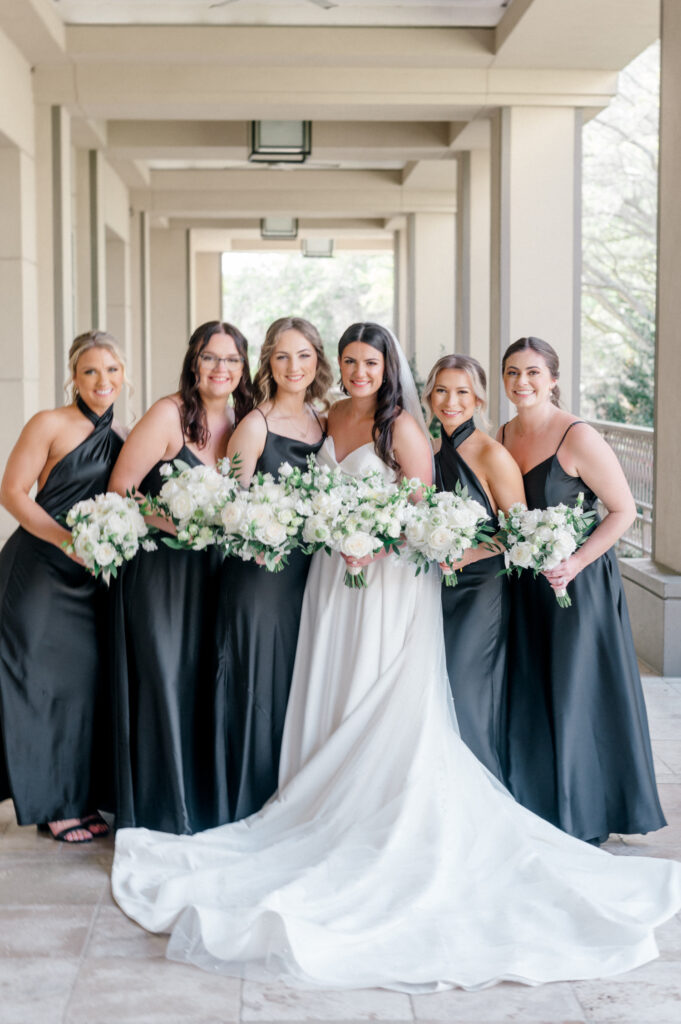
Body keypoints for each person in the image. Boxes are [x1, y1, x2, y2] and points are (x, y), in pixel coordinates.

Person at [112, 324, 681, 992]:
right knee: (333, 684)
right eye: (349, 361)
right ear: (337, 367)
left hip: (385, 581)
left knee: (384, 691)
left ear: (388, 369)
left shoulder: (402, 427)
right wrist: (334, 531)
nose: (359, 372)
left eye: (370, 362)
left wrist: (372, 544)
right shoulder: (325, 420)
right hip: (330, 576)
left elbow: (416, 506)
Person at [498, 335, 665, 844]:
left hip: (579, 583)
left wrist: (573, 563)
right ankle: (540, 803)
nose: (522, 382)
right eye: (512, 373)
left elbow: (623, 512)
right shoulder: (501, 434)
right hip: (526, 586)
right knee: (532, 687)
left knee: (575, 690)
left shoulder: (577, 436)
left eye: (532, 373)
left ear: (552, 378)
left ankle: (586, 811)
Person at [108, 321, 252, 834]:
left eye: (231, 359)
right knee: (164, 678)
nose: (221, 369)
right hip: (163, 572)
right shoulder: (167, 415)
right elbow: (122, 488)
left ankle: (201, 804)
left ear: (243, 366)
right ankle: (161, 808)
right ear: (194, 362)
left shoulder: (245, 420)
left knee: (203, 680)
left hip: (219, 574)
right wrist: (179, 524)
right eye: (210, 358)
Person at [0, 330, 126, 843]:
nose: (103, 381)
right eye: (91, 371)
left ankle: (77, 796)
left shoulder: (123, 437)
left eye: (112, 370)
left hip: (87, 580)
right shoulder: (49, 423)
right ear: (73, 376)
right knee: (39, 686)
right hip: (37, 573)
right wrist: (63, 538)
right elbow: (11, 492)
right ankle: (51, 803)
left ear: (124, 376)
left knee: (79, 689)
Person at [214, 317, 332, 821]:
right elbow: (226, 508)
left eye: (303, 355)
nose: (293, 366)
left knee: (299, 680)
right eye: (282, 356)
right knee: (258, 678)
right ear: (268, 363)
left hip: (313, 576)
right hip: (259, 577)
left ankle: (293, 794)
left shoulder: (326, 424)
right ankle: (247, 797)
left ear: (317, 362)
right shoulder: (254, 424)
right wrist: (255, 538)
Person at [423, 354, 524, 780]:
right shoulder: (427, 452)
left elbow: (520, 531)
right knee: (437, 689)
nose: (451, 401)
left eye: (462, 391)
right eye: (442, 390)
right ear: (429, 396)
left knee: (467, 689)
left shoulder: (492, 454)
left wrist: (466, 554)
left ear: (479, 398)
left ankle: (485, 787)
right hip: (433, 588)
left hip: (481, 587)